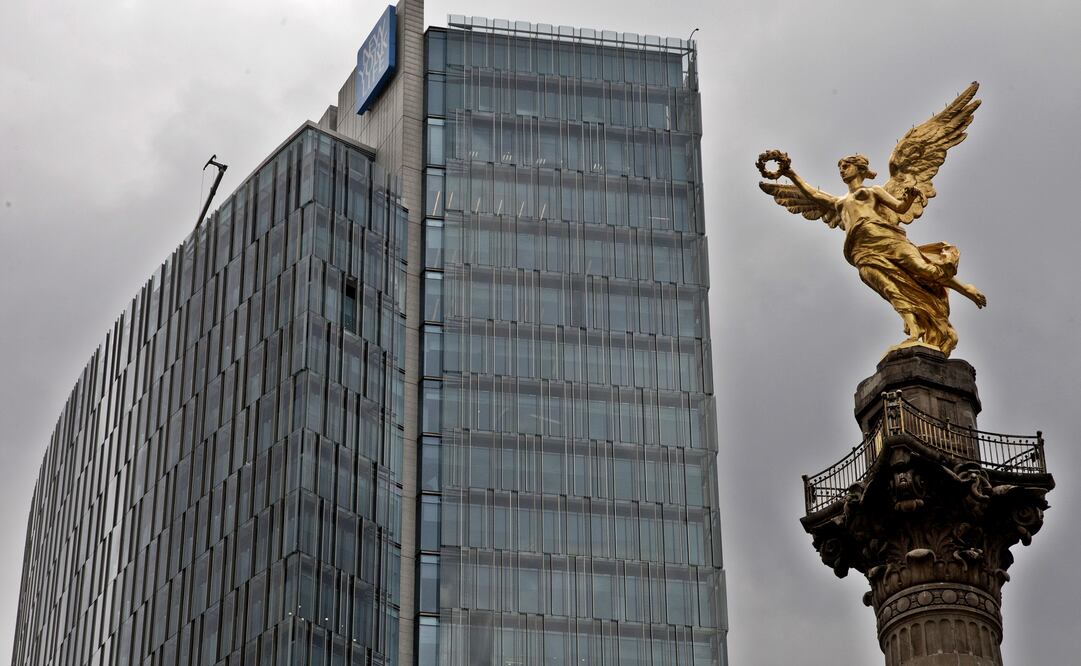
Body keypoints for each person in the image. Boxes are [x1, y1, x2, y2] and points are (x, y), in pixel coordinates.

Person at [781, 154, 986, 355]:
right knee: (890, 289)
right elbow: (813, 195)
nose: (842, 171)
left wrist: (911, 196)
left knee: (922, 269)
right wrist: (790, 174)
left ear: (859, 169)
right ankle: (915, 330)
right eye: (840, 168)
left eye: (846, 166)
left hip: (887, 238)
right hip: (860, 251)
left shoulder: (874, 191)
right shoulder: (839, 202)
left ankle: (966, 289)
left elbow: (900, 207)